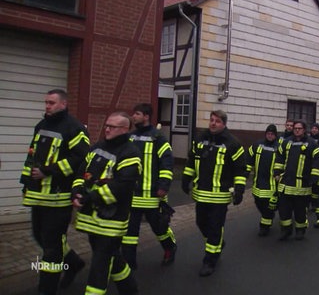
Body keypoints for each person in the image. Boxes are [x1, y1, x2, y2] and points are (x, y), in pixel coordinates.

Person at [20, 89, 89, 294]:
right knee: (39, 236)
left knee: (51, 246)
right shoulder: (41, 126)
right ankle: (73, 263)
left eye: (51, 103)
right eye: (46, 102)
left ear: (63, 104)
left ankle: (47, 288)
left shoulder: (74, 128)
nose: (47, 106)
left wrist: (48, 171)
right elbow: (32, 156)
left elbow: (81, 159)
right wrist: (26, 184)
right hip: (38, 194)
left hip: (58, 197)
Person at [72, 111, 141, 294]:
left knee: (99, 266)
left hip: (112, 221)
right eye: (107, 125)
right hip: (91, 218)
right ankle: (130, 289)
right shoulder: (97, 148)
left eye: (112, 126)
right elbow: (81, 173)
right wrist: (77, 191)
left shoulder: (131, 153)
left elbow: (121, 187)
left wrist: (89, 197)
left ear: (125, 129)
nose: (107, 129)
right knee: (113, 258)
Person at [181, 110, 247, 277]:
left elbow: (240, 169)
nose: (213, 123)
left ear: (224, 124)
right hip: (201, 193)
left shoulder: (233, 143)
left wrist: (239, 190)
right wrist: (185, 178)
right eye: (211, 120)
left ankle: (210, 260)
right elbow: (191, 161)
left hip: (220, 195)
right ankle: (217, 243)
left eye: (217, 121)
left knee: (215, 226)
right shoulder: (200, 139)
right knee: (201, 222)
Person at [122, 103, 177, 270]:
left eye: (137, 114)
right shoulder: (129, 137)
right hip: (132, 194)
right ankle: (129, 263)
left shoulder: (158, 138)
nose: (134, 117)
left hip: (152, 195)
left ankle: (170, 247)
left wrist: (163, 186)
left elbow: (167, 164)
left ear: (146, 116)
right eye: (134, 113)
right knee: (129, 233)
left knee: (159, 228)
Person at [274, 120, 319, 240]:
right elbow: (279, 157)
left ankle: (300, 230)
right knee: (284, 210)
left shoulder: (311, 144)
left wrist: (314, 177)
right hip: (286, 183)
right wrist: (277, 173)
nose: (297, 130)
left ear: (304, 130)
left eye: (299, 128)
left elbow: (317, 160)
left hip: (302, 184)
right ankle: (286, 230)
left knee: (300, 210)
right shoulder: (286, 142)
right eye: (295, 128)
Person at [246, 124, 280, 236]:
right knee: (258, 202)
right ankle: (268, 217)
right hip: (258, 182)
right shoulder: (257, 144)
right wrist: (245, 173)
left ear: (275, 135)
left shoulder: (279, 147)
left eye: (272, 134)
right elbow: (249, 158)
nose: (270, 136)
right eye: (268, 134)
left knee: (268, 206)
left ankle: (265, 226)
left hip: (271, 184)